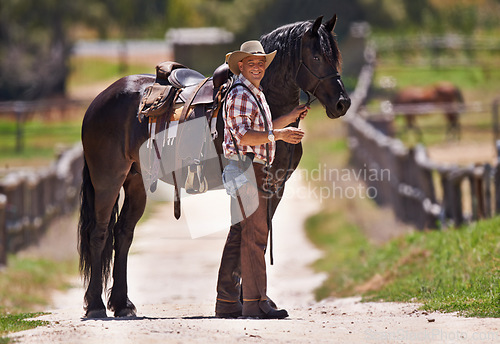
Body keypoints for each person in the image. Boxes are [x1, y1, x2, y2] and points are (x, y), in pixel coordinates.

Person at [216, 40, 309, 319]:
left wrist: (288, 118)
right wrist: (279, 136)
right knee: (254, 235)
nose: (257, 67)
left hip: (253, 169)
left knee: (252, 234)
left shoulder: (252, 93)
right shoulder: (241, 94)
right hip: (247, 169)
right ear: (240, 66)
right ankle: (255, 302)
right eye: (251, 63)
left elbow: (261, 128)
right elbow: (244, 136)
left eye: (261, 63)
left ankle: (244, 301)